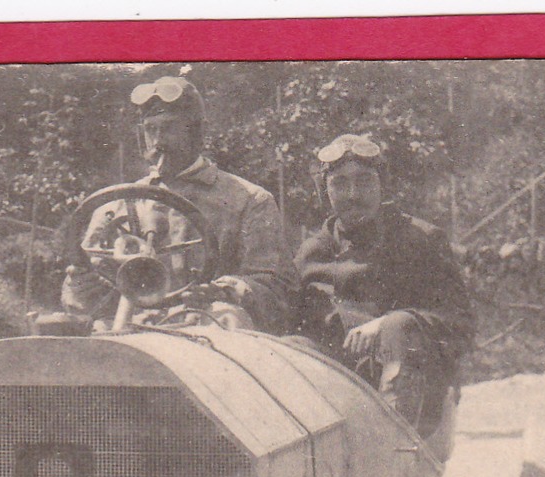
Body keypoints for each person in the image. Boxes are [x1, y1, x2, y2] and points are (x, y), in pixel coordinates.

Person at [62, 76, 291, 332]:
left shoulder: (249, 200)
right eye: (151, 129)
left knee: (228, 318)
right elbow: (82, 303)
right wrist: (81, 281)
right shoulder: (116, 205)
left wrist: (224, 290)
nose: (158, 141)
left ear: (197, 133)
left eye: (169, 128)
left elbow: (273, 289)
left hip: (208, 331)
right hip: (131, 330)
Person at [295, 134, 473, 437]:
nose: (353, 194)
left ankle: (389, 448)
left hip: (413, 394)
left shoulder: (421, 240)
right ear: (325, 192)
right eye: (339, 184)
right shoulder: (311, 253)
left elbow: (461, 324)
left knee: (398, 327)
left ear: (382, 186)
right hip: (332, 398)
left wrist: (391, 324)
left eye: (364, 181)